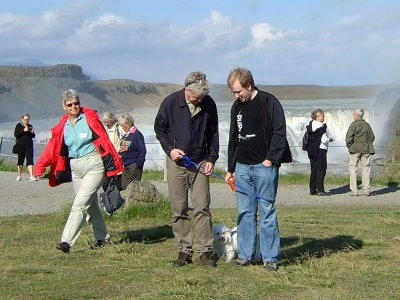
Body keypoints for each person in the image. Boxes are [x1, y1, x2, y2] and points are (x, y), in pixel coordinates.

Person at [34, 89, 124, 253]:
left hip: (94, 164)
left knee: (80, 203)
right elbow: (52, 147)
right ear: (64, 106)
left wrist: (112, 167)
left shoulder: (90, 118)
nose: (74, 106)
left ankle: (66, 242)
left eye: (76, 103)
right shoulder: (64, 125)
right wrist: (40, 165)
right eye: (70, 104)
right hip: (76, 168)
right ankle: (102, 238)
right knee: (90, 206)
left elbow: (105, 141)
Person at [224, 67, 292, 272]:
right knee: (245, 212)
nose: (237, 96)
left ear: (249, 85)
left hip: (264, 167)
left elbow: (280, 133)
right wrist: (231, 168)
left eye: (238, 92)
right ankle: (245, 255)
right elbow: (233, 139)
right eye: (234, 93)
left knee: (267, 211)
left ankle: (270, 257)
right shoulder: (236, 107)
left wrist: (270, 160)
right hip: (242, 167)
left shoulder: (269, 102)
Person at [154, 71, 219, 267]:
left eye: (202, 97)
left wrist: (211, 159)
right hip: (176, 164)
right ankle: (184, 251)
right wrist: (170, 149)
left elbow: (214, 133)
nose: (199, 100)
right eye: (195, 97)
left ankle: (205, 251)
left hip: (200, 163)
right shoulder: (170, 102)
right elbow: (160, 129)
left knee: (202, 207)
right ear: (186, 90)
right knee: (179, 208)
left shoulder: (208, 103)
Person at [345, 108, 375, 196]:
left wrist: (350, 147)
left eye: (354, 114)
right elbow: (372, 137)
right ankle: (367, 190)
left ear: (357, 115)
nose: (353, 115)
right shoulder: (367, 125)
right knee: (366, 169)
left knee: (353, 169)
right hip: (366, 150)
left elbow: (348, 138)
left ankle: (354, 190)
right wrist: (367, 144)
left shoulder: (353, 125)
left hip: (355, 150)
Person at [306, 109, 334, 196]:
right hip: (320, 150)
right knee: (321, 169)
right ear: (317, 117)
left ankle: (312, 189)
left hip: (311, 150)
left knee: (314, 169)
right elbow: (324, 140)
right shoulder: (321, 127)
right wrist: (330, 139)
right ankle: (320, 190)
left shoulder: (311, 125)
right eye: (322, 115)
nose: (323, 117)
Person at [118, 113, 146, 190]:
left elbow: (142, 150)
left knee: (133, 187)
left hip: (134, 164)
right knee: (124, 186)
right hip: (125, 164)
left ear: (129, 123)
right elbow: (126, 147)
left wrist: (138, 164)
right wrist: (120, 151)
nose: (123, 127)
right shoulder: (127, 135)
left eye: (124, 125)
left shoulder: (137, 134)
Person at [14, 113, 37, 181]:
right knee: (20, 161)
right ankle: (19, 175)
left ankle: (31, 176)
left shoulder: (30, 126)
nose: (26, 121)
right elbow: (16, 134)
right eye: (25, 119)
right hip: (20, 146)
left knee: (30, 160)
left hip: (29, 146)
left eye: (28, 120)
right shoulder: (18, 125)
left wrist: (30, 132)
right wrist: (23, 130)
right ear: (22, 119)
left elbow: (33, 136)